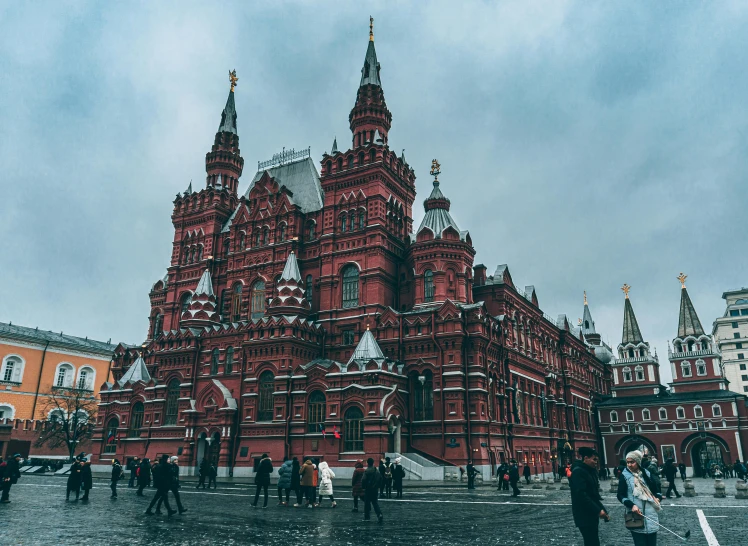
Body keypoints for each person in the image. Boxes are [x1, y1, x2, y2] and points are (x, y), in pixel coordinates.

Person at [617, 450, 662, 546]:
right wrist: (631, 505)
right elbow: (620, 495)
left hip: (650, 513)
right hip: (636, 515)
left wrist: (658, 497)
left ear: (638, 462)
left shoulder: (646, 473)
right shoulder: (624, 476)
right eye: (627, 462)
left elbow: (656, 489)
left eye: (632, 462)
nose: (629, 465)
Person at [570, 447, 610, 546]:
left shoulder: (590, 471)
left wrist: (603, 510)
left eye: (597, 460)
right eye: (594, 459)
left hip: (591, 512)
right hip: (583, 513)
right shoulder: (578, 471)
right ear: (586, 458)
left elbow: (594, 495)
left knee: (593, 541)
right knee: (591, 541)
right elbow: (581, 495)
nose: (596, 462)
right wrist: (598, 510)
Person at [362, 457, 383, 523]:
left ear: (367, 463)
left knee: (367, 503)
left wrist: (363, 487)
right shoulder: (376, 471)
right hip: (375, 489)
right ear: (373, 463)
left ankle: (367, 517)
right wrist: (378, 486)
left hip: (368, 489)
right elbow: (381, 479)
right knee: (375, 503)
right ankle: (379, 514)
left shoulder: (366, 471)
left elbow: (363, 479)